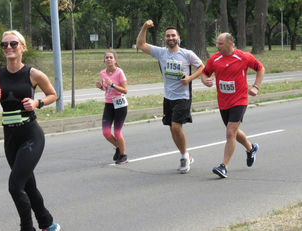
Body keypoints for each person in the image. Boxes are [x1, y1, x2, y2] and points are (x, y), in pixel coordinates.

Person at [0, 30, 60, 231]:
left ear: (23, 47)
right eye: (4, 45)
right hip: (10, 137)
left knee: (15, 186)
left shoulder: (33, 74)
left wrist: (37, 102)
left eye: (13, 44)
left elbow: (54, 95)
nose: (8, 47)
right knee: (28, 185)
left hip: (31, 134)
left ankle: (27, 228)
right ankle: (48, 223)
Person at [136, 20, 204, 174]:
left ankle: (184, 157)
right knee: (173, 130)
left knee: (176, 126)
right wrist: (145, 27)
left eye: (173, 35)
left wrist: (189, 78)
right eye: (168, 36)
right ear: (165, 39)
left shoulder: (187, 54)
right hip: (168, 97)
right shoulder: (161, 52)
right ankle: (185, 154)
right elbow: (140, 44)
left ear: (178, 38)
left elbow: (201, 67)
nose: (170, 38)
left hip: (183, 96)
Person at [201, 32, 265, 178]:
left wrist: (256, 86)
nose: (217, 47)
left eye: (220, 44)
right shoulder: (214, 59)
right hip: (223, 102)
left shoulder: (243, 57)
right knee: (233, 132)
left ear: (230, 44)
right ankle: (251, 148)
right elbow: (205, 73)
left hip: (240, 100)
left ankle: (224, 166)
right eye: (216, 43)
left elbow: (261, 69)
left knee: (230, 132)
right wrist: (205, 81)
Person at [96, 49, 128, 164]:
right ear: (104, 60)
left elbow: (125, 90)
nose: (109, 59)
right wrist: (101, 87)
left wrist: (113, 85)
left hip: (120, 104)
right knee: (106, 132)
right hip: (109, 104)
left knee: (117, 132)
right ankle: (119, 147)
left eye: (111, 57)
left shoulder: (119, 72)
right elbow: (106, 89)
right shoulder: (102, 73)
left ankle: (123, 155)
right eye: (107, 57)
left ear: (115, 60)